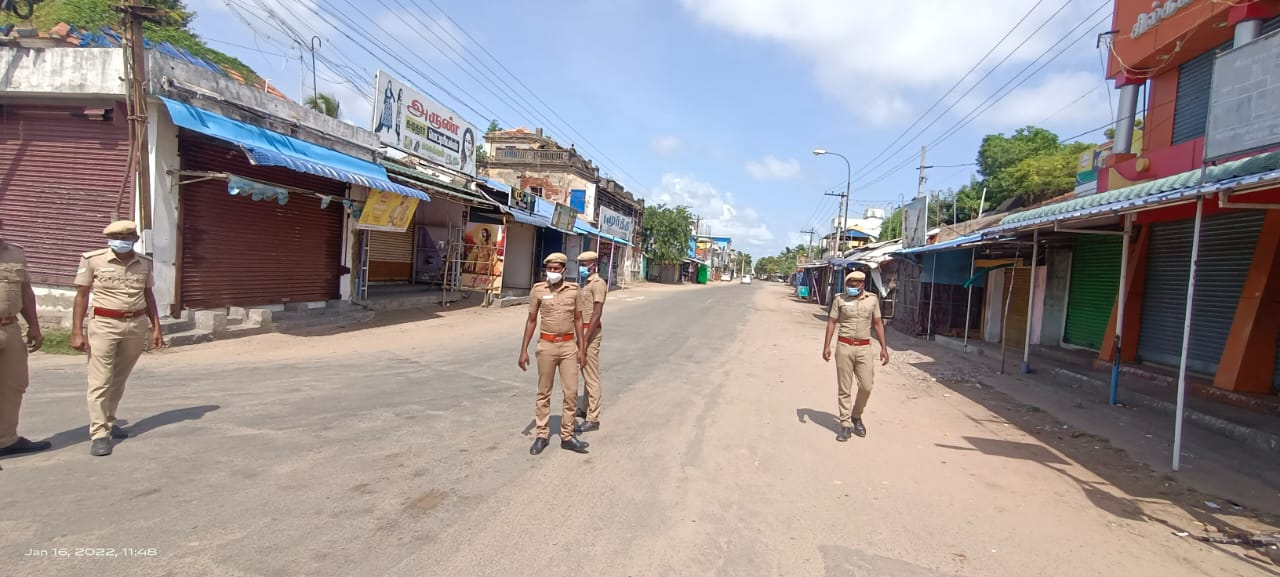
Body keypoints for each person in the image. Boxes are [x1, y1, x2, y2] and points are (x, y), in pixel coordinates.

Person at [71, 221, 164, 457]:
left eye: (127, 236)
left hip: (135, 324)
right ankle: (99, 433)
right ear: (109, 239)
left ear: (135, 238)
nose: (122, 241)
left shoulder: (144, 263)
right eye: (117, 237)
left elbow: (148, 295)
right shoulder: (93, 260)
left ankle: (110, 421)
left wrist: (156, 328)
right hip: (104, 324)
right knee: (100, 380)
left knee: (119, 378)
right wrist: (77, 331)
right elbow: (81, 296)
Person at [517, 253, 590, 455]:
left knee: (571, 392)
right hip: (547, 346)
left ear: (564, 270)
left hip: (568, 347)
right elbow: (531, 320)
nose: (552, 272)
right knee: (544, 392)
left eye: (556, 269)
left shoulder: (574, 290)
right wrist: (524, 350)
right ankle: (542, 434)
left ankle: (567, 436)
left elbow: (578, 320)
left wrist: (582, 349)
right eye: (550, 268)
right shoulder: (538, 290)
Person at [822, 270, 890, 442]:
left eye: (855, 284)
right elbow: (832, 322)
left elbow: (878, 323)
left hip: (864, 348)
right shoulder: (840, 299)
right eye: (849, 284)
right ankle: (845, 424)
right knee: (844, 388)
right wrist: (826, 346)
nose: (852, 287)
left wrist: (884, 348)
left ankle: (856, 415)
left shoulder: (872, 299)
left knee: (866, 386)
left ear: (862, 285)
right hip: (844, 346)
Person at [0, 236, 51, 457]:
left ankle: (6, 440)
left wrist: (34, 326)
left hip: (9, 327)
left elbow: (25, 291)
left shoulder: (15, 253)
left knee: (13, 385)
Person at [574, 250, 607, 433]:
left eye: (584, 264)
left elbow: (596, 313)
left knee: (591, 373)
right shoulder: (585, 283)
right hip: (582, 331)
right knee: (585, 370)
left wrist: (585, 340)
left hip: (590, 332)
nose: (582, 267)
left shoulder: (598, 283)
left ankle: (593, 417)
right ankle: (585, 408)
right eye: (580, 264)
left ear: (593, 265)